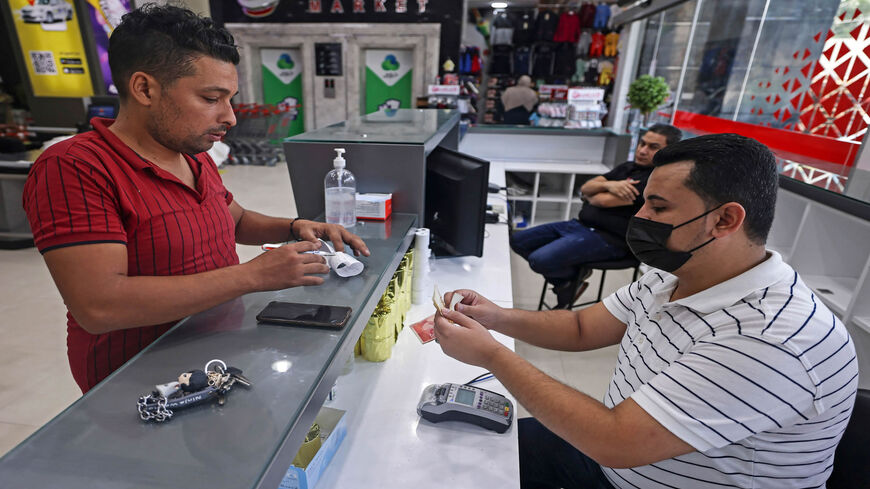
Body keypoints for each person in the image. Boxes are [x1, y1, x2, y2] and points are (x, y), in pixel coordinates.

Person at [434, 134, 857, 488]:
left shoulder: (770, 336)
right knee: (463, 456)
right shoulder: (676, 272)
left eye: (658, 207)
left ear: (725, 220)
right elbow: (582, 327)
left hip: (615, 456)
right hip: (613, 466)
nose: (640, 216)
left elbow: (616, 440)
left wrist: (491, 354)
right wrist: (495, 316)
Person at [22, 5, 369, 393]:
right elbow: (100, 305)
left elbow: (233, 219)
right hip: (139, 380)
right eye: (211, 98)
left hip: (215, 352)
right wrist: (251, 276)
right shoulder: (75, 167)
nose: (230, 117)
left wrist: (292, 226)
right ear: (145, 89)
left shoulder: (192, 154)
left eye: (230, 98)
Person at [510, 124, 681, 308]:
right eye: (642, 143)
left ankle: (569, 282)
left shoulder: (656, 180)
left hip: (611, 239)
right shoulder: (628, 167)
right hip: (580, 226)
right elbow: (586, 187)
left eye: (652, 147)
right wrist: (610, 186)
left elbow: (602, 201)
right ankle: (568, 282)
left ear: (668, 151)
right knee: (518, 240)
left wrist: (597, 190)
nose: (642, 150)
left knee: (540, 260)